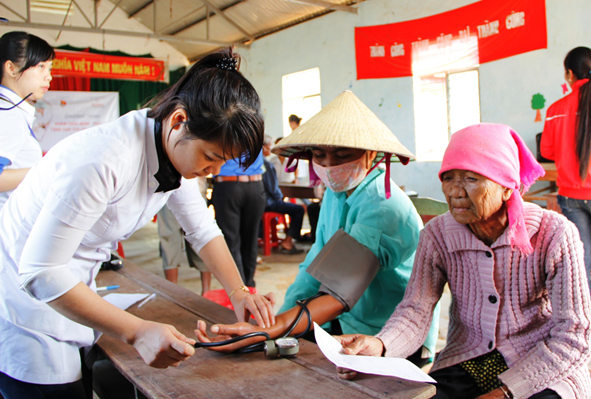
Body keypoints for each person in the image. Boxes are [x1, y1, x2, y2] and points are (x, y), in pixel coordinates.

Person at [0, 48, 276, 399]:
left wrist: (240, 294)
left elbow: (203, 230)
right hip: (27, 306)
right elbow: (39, 271)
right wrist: (137, 331)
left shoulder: (170, 146)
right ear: (179, 121)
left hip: (70, 288)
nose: (214, 171)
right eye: (211, 158)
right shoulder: (104, 160)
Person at [334, 123, 591, 399]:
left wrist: (505, 392)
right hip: (469, 358)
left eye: (471, 178)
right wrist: (381, 345)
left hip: (541, 362)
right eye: (448, 177)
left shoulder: (554, 234)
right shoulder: (437, 235)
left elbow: (574, 335)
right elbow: (415, 310)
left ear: (507, 188)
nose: (455, 191)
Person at [194, 90, 439, 368]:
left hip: (391, 333)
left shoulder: (383, 207)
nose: (329, 165)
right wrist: (276, 321)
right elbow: (316, 264)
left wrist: (271, 331)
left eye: (343, 154)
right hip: (348, 320)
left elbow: (338, 289)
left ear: (370, 154)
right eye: (319, 155)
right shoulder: (336, 194)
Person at [541, 46, 591, 287]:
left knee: (582, 259)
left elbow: (547, 152)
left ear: (570, 74)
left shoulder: (554, 111)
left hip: (570, 196)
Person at [0, 31, 53, 211]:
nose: (49, 76)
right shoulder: (8, 114)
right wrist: (46, 170)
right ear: (11, 68)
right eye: (40, 66)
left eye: (49, 68)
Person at [210, 149, 266, 288]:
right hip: (256, 185)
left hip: (228, 186)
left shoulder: (221, 126)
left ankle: (240, 290)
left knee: (231, 240)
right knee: (251, 239)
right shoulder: (256, 126)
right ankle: (249, 285)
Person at [157, 176, 212, 294]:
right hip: (171, 189)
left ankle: (206, 292)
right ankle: (174, 292)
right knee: (172, 240)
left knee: (200, 237)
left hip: (184, 188)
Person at [261, 135, 305, 254]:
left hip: (260, 201)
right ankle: (288, 241)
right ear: (265, 147)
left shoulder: (255, 163)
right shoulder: (269, 163)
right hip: (269, 202)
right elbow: (273, 189)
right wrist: (279, 198)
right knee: (299, 210)